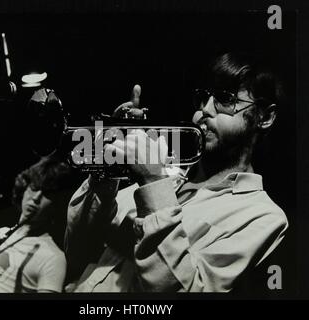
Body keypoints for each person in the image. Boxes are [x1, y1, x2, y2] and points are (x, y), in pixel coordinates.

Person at [63, 52, 289, 292]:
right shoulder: (164, 171)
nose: (204, 110)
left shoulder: (263, 217)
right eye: (203, 98)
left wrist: (153, 182)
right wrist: (105, 175)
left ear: (265, 117)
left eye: (225, 98)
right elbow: (78, 251)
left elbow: (185, 290)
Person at [0, 156, 76, 293]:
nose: (36, 198)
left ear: (57, 204)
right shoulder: (1, 233)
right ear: (24, 188)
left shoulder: (53, 258)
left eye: (47, 194)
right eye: (34, 187)